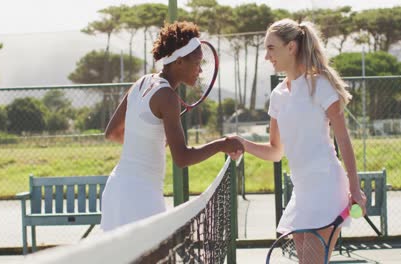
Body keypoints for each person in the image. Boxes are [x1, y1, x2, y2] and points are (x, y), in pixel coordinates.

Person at [229, 18, 367, 262]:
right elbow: (275, 151)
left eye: (271, 48)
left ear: (291, 47)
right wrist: (242, 143)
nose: (266, 56)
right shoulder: (278, 96)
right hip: (302, 192)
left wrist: (355, 188)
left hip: (326, 186)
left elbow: (344, 140)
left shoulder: (321, 86)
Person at [100, 21, 244, 232]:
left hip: (116, 189)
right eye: (196, 63)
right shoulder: (168, 97)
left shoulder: (142, 82)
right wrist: (222, 145)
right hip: (140, 196)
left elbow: (112, 133)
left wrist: (150, 142)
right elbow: (182, 158)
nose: (200, 70)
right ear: (178, 62)